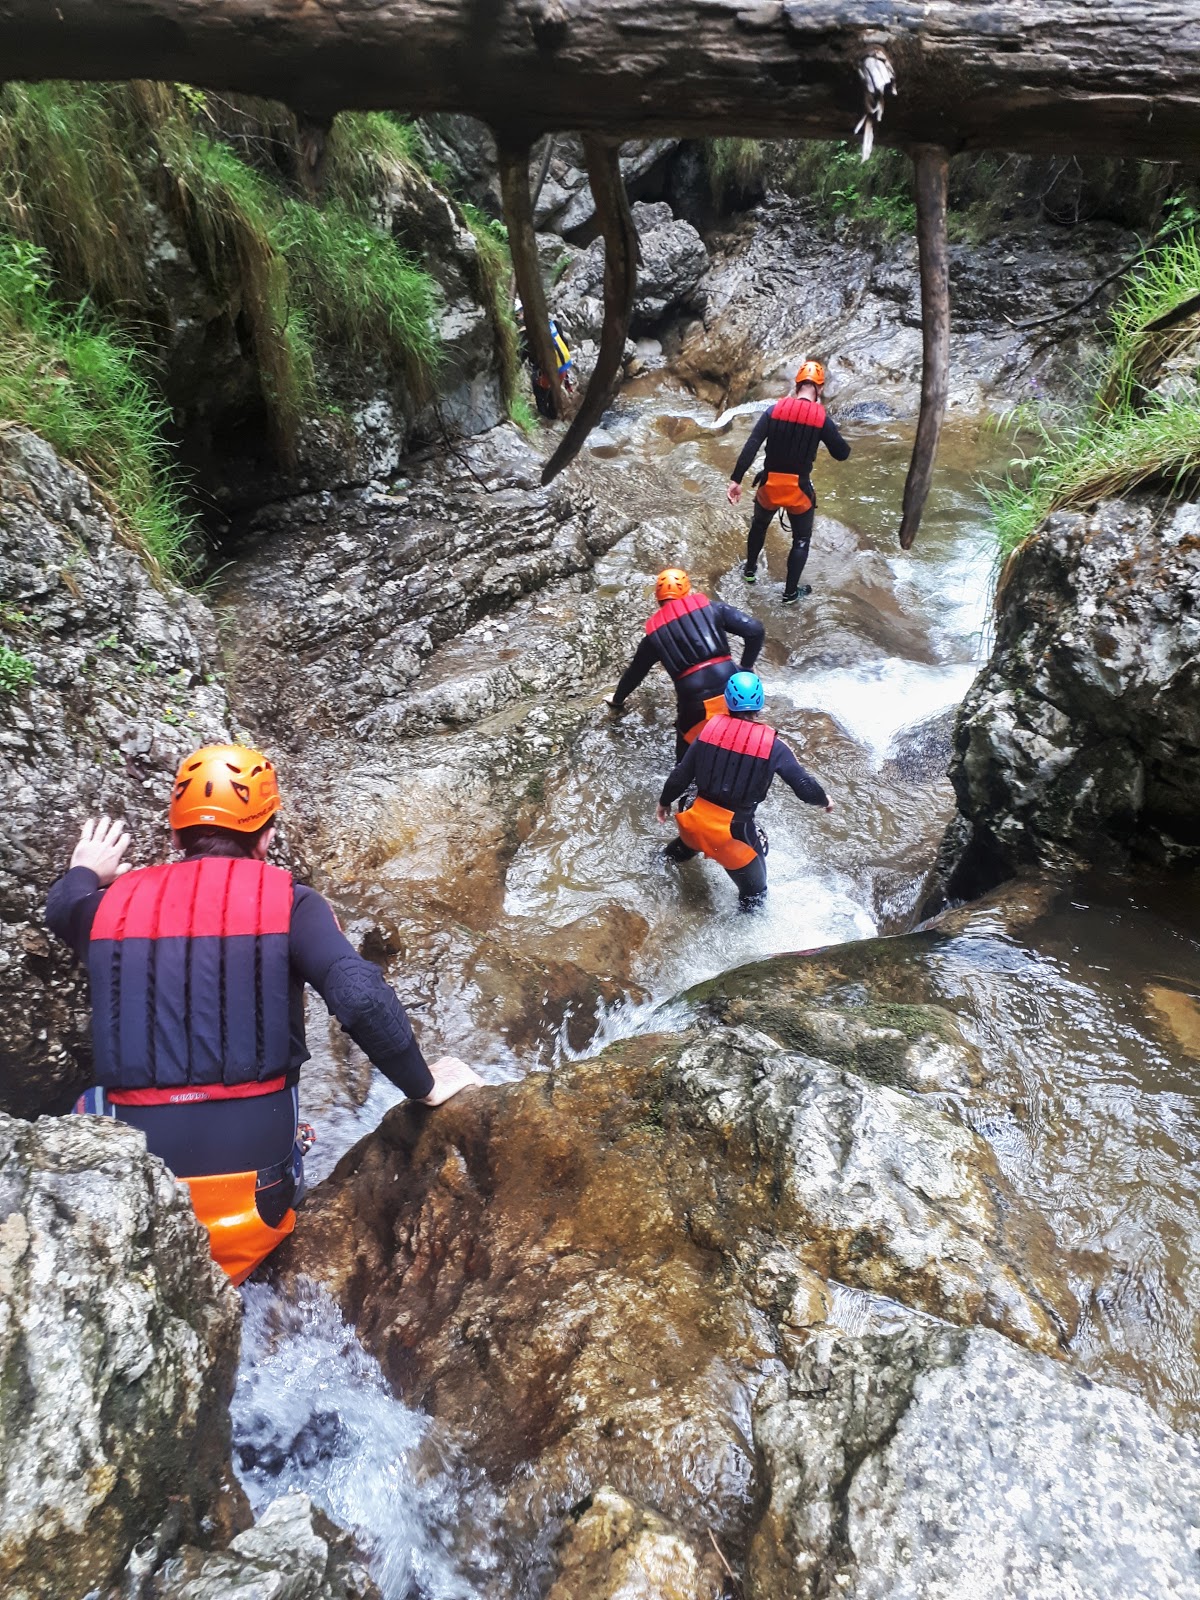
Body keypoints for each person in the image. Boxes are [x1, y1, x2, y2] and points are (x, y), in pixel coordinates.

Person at [45, 743, 482, 1286]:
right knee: (277, 1104)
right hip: (261, 1200)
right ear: (267, 836)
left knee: (84, 1104)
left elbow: (62, 907)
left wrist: (85, 870)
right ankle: (292, 1146)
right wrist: (423, 1085)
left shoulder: (105, 908)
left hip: (139, 1203)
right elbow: (361, 997)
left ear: (175, 837)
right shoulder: (292, 903)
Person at [656, 670, 833, 910]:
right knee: (755, 896)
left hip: (693, 821)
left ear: (727, 701)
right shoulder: (774, 746)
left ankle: (655, 873)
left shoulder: (708, 731)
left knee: (671, 856)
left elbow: (680, 776)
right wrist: (824, 800)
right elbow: (804, 787)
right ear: (760, 704)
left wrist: (664, 802)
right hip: (733, 837)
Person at [605, 567, 766, 760]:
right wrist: (746, 669)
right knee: (743, 745)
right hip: (732, 688)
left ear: (658, 599)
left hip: (693, 700)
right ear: (687, 591)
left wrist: (617, 699)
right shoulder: (712, 608)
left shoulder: (653, 636)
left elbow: (635, 673)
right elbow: (755, 630)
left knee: (687, 758)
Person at [726, 359, 850, 602]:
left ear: (797, 384)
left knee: (759, 526)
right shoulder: (821, 419)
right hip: (798, 491)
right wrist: (826, 430)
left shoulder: (774, 410)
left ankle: (749, 572)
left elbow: (752, 445)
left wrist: (736, 480)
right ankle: (790, 593)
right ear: (820, 388)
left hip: (769, 486)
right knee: (801, 539)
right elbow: (842, 453)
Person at [530, 315, 574, 418]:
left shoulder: (532, 334)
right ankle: (553, 414)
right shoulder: (554, 324)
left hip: (550, 369)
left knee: (539, 389)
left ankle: (543, 414)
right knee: (553, 389)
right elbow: (564, 341)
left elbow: (533, 357)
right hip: (564, 365)